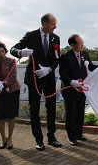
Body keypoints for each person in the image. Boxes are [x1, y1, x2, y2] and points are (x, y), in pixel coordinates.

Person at [10, 13, 61, 151]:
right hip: (34, 78)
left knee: (51, 108)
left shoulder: (56, 38)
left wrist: (49, 69)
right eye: (53, 24)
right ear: (44, 24)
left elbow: (57, 59)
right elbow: (12, 49)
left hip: (49, 77)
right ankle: (38, 139)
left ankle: (52, 137)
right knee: (34, 109)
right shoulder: (31, 36)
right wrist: (21, 53)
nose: (55, 26)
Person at [59, 34, 98, 146]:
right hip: (70, 90)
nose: (82, 45)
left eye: (82, 42)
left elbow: (90, 67)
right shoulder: (66, 57)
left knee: (80, 113)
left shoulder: (85, 54)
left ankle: (78, 134)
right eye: (80, 43)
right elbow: (63, 75)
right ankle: (71, 137)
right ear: (72, 45)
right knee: (71, 113)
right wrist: (72, 82)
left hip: (82, 90)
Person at [0, 41, 21, 150]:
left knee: (12, 115)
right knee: (1, 116)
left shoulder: (11, 61)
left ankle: (10, 138)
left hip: (12, 91)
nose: (2, 54)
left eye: (3, 51)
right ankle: (3, 138)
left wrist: (3, 84)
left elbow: (13, 77)